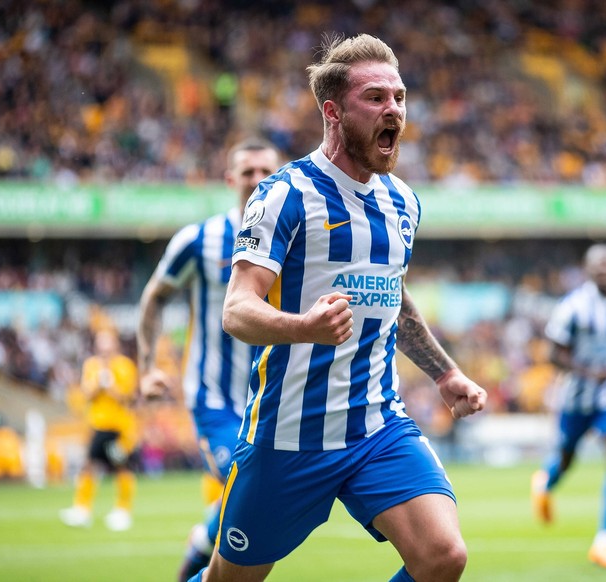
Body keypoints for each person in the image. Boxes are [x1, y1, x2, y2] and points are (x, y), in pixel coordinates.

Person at [196, 33, 488, 582]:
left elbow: (393, 301)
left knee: (443, 556)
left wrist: (445, 373)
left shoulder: (403, 202)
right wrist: (304, 326)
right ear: (334, 112)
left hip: (376, 425)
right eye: (376, 98)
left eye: (399, 97)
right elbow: (237, 309)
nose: (394, 111)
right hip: (288, 436)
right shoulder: (284, 194)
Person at [137, 140, 281, 579]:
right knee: (252, 493)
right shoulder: (200, 240)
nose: (256, 180)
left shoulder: (294, 240)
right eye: (247, 172)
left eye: (264, 172)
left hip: (270, 402)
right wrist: (148, 367)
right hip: (214, 399)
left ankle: (201, 545)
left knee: (255, 497)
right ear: (231, 180)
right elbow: (154, 297)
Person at [531, 243, 606, 570]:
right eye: (600, 265)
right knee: (567, 459)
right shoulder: (573, 307)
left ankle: (605, 540)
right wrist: (587, 371)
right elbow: (552, 353)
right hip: (576, 397)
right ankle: (546, 482)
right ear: (588, 270)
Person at [60, 329, 139, 531]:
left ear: (115, 346)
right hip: (98, 425)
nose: (104, 350)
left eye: (108, 345)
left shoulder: (124, 365)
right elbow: (87, 394)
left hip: (118, 426)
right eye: (101, 345)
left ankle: (123, 511)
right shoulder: (91, 365)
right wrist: (99, 384)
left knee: (121, 467)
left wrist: (110, 385)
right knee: (89, 466)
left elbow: (127, 397)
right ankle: (82, 509)